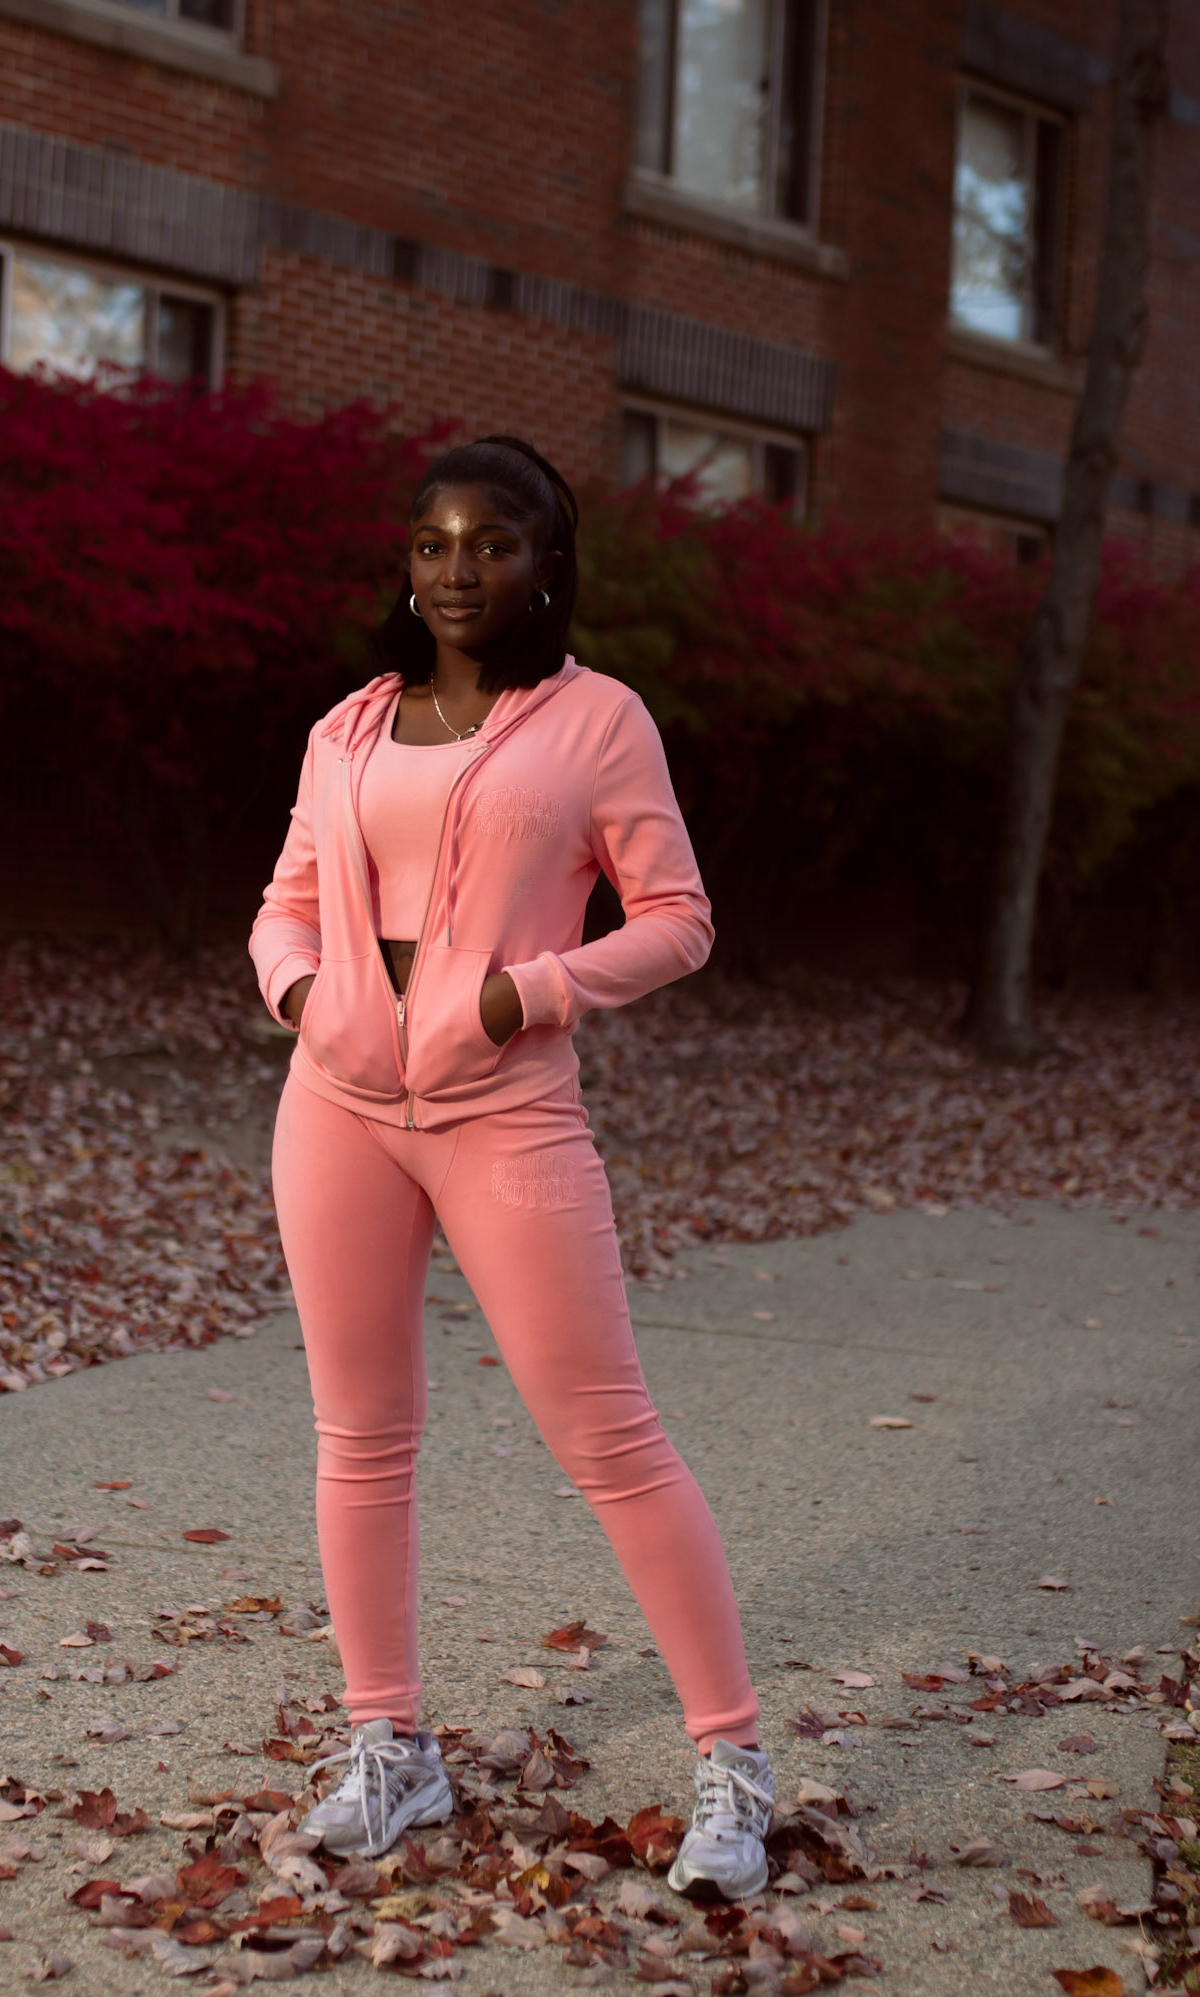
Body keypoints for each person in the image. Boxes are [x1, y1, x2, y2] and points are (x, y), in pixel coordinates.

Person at [249, 435, 772, 1900]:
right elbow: (284, 902)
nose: (458, 570)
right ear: (405, 562)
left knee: (609, 1438)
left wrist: (520, 996)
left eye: (492, 543)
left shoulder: (597, 721)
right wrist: (306, 996)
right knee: (360, 1436)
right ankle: (390, 1748)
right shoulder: (350, 725)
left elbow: (677, 917)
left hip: (506, 1113)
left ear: (546, 564)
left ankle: (732, 1763)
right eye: (433, 543)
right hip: (335, 1107)